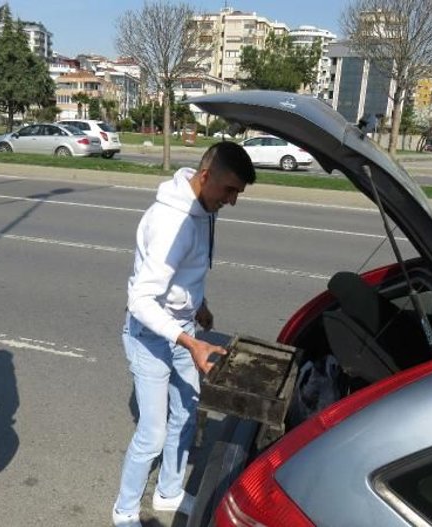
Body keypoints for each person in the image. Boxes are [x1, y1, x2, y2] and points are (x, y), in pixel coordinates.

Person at [112, 142, 256, 527]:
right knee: (153, 433)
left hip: (181, 327)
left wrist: (199, 303)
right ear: (205, 177)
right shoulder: (169, 223)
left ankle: (169, 491)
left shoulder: (203, 207)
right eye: (229, 190)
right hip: (149, 334)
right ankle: (124, 510)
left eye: (238, 193)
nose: (233, 200)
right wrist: (190, 342)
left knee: (187, 414)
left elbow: (185, 270)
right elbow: (141, 300)